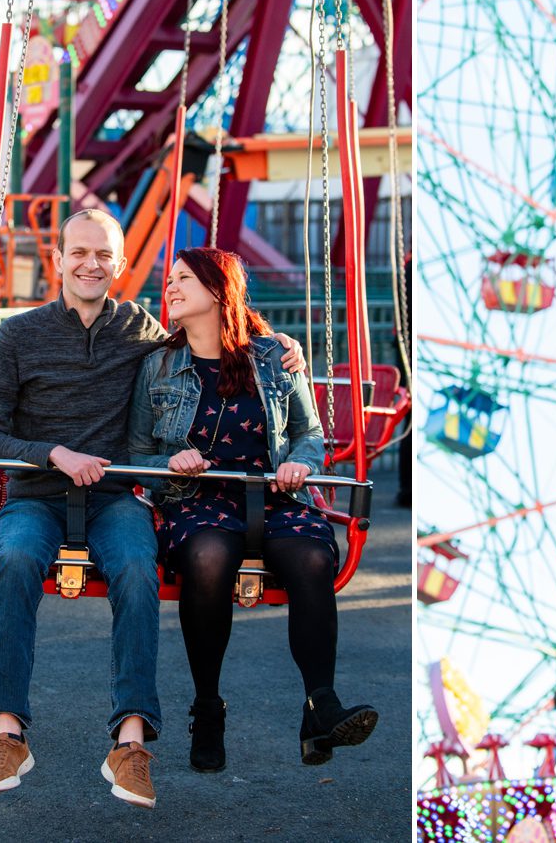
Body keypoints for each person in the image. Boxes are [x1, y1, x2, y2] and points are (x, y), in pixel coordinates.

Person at [0, 209, 304, 808]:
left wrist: (276, 344)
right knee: (15, 561)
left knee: (135, 571)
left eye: (103, 255)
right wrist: (53, 453)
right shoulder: (19, 336)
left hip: (113, 497)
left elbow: (214, 333)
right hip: (38, 496)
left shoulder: (144, 332)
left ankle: (130, 742)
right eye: (79, 253)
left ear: (120, 265)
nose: (90, 264)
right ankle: (7, 731)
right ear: (59, 260)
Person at [127, 248, 376, 774]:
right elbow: (135, 454)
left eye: (184, 280)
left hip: (275, 493)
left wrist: (301, 468)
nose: (170, 288)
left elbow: (310, 434)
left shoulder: (274, 357)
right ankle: (208, 706)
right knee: (209, 556)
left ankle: (321, 704)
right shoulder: (159, 365)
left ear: (219, 292)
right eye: (169, 280)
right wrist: (170, 461)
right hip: (197, 497)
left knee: (312, 558)